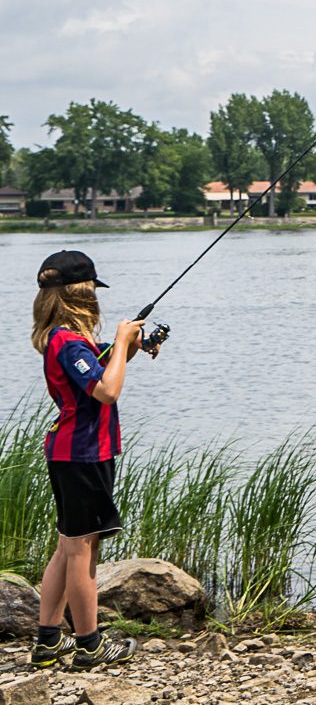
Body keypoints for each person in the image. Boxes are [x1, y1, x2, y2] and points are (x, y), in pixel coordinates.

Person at [30, 250, 144, 670]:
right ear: (82, 295)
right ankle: (89, 645)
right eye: (93, 291)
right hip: (82, 456)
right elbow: (105, 390)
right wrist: (119, 337)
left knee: (67, 547)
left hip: (73, 454)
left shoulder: (67, 341)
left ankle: (47, 641)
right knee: (83, 552)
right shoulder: (68, 341)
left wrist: (127, 347)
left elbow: (102, 370)